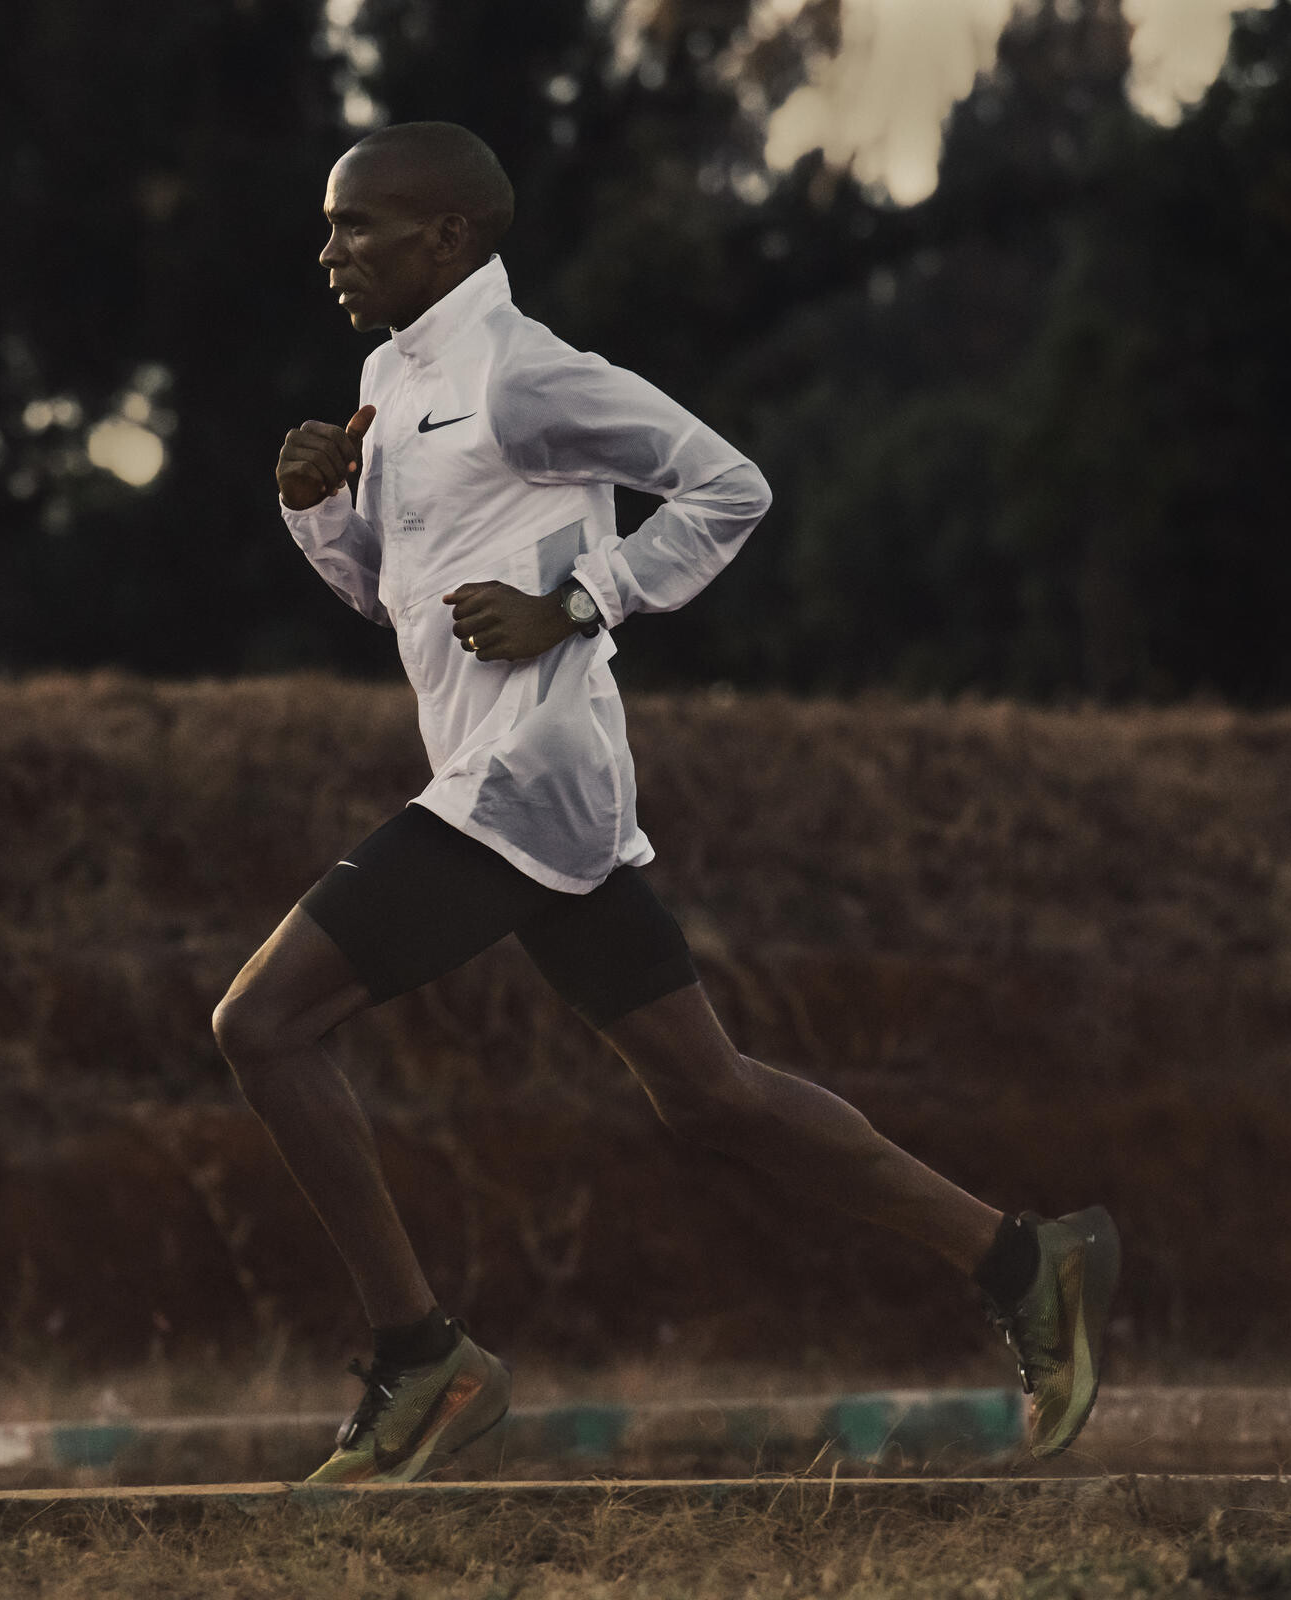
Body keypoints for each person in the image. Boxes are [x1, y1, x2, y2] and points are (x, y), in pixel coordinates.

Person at [212, 120, 1120, 1485]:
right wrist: (317, 514)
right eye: (331, 225)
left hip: (528, 776)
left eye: (357, 224)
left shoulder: (526, 373)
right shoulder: (390, 381)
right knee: (711, 1098)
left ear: (446, 235)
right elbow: (392, 601)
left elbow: (730, 484)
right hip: (500, 781)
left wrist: (581, 599)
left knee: (265, 1023)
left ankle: (423, 1358)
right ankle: (1025, 1262)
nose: (329, 249)